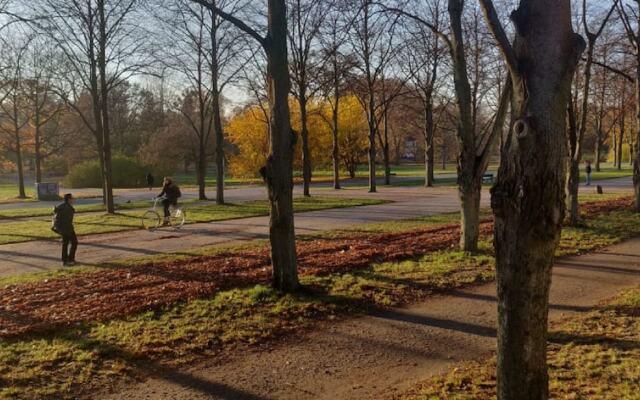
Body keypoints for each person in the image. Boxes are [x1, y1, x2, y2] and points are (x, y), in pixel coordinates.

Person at [52, 193, 78, 266]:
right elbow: (67, 220)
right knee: (74, 243)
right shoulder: (67, 208)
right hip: (67, 228)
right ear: (69, 199)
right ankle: (70, 259)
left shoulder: (62, 206)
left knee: (65, 243)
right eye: (72, 198)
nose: (73, 200)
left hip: (62, 228)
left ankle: (65, 260)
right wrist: (68, 230)